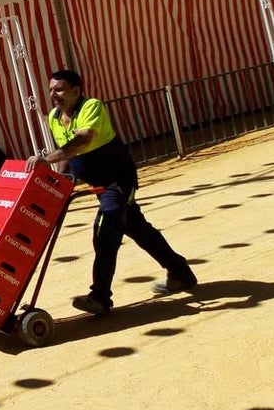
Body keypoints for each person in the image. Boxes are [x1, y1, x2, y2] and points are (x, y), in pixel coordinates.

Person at [26, 69, 197, 316]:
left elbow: (82, 141)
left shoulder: (91, 107)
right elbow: (68, 156)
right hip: (99, 185)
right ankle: (181, 273)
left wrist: (46, 159)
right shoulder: (54, 117)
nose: (54, 95)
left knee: (106, 230)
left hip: (118, 182)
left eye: (60, 90)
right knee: (138, 229)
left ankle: (100, 297)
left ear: (76, 90)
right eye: (51, 89)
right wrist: (60, 186)